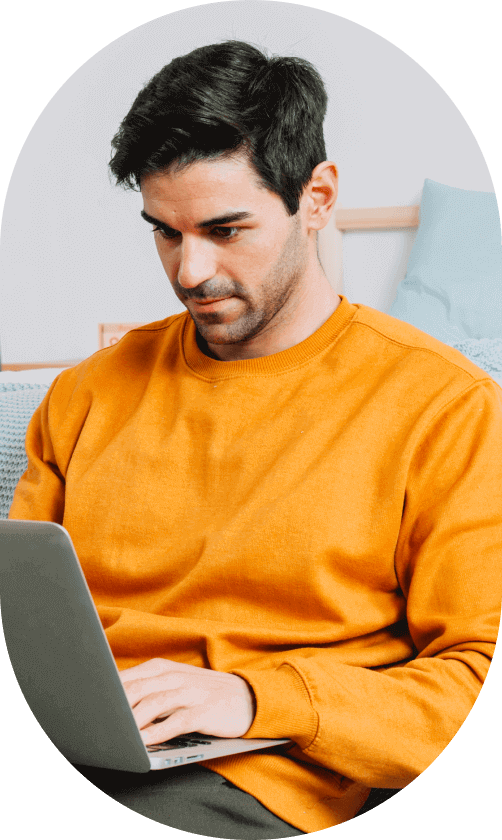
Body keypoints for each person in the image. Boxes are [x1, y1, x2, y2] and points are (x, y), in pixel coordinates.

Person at [8, 39, 502, 836]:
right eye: (165, 232)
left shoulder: (447, 406)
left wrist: (254, 697)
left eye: (225, 229)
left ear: (317, 196)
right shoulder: (84, 395)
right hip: (86, 738)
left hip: (249, 779)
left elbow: (473, 678)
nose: (190, 271)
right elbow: (25, 617)